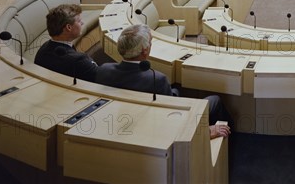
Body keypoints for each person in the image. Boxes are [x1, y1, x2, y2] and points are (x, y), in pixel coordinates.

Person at [96, 24, 231, 138]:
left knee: (176, 90)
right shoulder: (156, 79)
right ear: (145, 50)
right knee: (215, 100)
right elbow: (172, 116)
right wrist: (206, 131)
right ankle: (227, 147)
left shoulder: (103, 70)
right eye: (150, 42)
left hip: (122, 123)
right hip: (161, 127)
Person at [34, 4, 98, 82]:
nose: (82, 23)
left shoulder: (42, 49)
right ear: (68, 27)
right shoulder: (79, 61)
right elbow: (103, 79)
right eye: (79, 21)